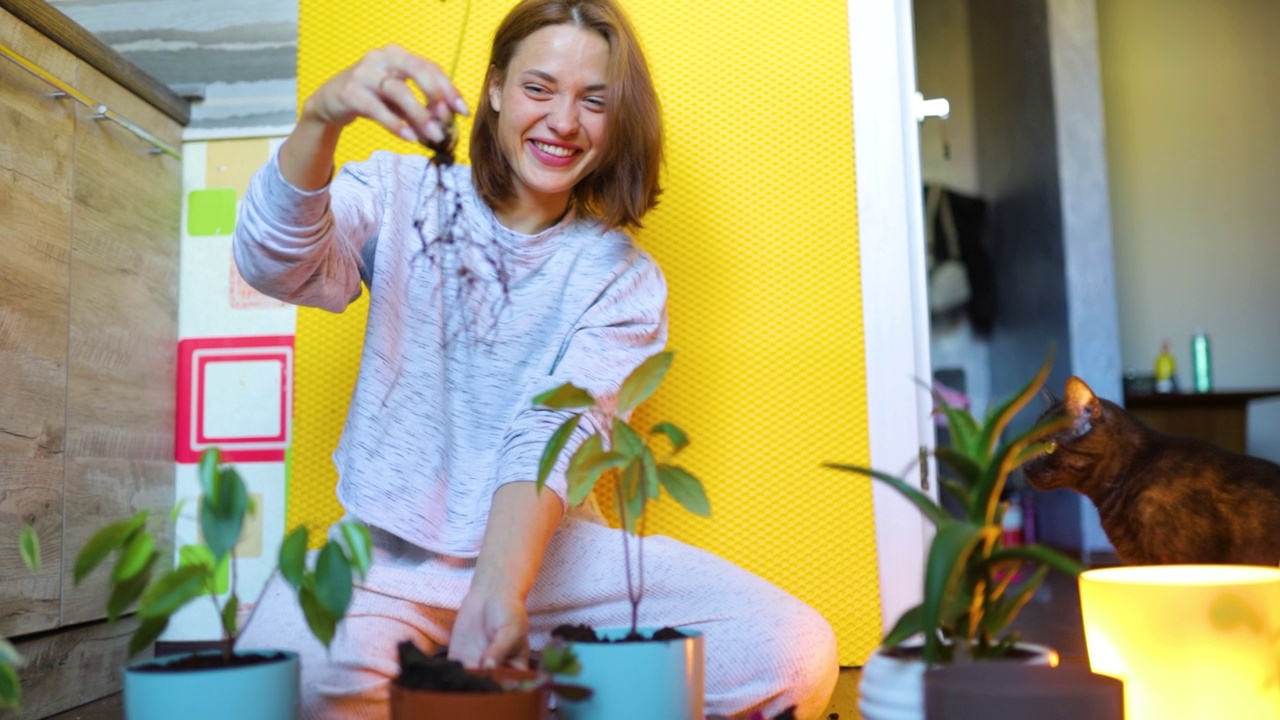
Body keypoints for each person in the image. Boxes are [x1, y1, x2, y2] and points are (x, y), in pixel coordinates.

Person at [232, 1, 838, 717]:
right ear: (494, 89)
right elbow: (273, 264)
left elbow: (553, 430)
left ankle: (476, 685)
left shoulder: (621, 276)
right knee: (277, 693)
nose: (563, 121)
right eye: (539, 88)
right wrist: (320, 120)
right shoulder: (400, 193)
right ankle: (484, 689)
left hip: (550, 565)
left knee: (791, 651)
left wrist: (499, 589)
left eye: (595, 100)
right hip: (386, 558)